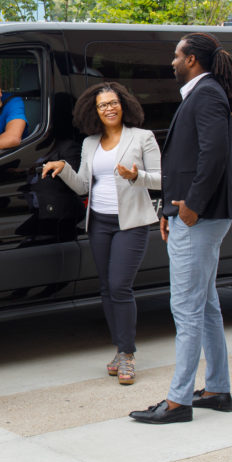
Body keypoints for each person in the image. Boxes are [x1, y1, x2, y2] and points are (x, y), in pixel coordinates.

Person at [130, 32, 232, 424]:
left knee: (187, 309)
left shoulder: (206, 94)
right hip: (193, 214)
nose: (171, 62)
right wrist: (169, 209)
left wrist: (190, 207)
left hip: (201, 216)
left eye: (176, 55)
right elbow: (189, 159)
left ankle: (177, 402)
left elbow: (213, 154)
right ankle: (217, 389)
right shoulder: (203, 93)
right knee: (206, 307)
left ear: (191, 59)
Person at [41, 82, 160, 385]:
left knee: (121, 286)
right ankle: (120, 351)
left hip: (130, 223)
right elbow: (83, 185)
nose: (109, 108)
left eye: (113, 102)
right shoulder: (90, 143)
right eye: (102, 105)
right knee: (107, 288)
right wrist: (62, 167)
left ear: (124, 104)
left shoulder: (142, 138)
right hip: (100, 223)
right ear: (94, 112)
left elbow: (161, 179)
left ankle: (128, 354)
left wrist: (136, 175)